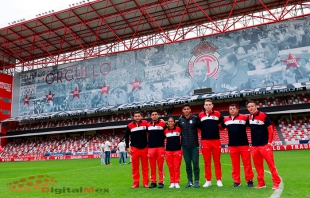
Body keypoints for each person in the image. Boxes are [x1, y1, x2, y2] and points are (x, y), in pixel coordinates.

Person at [246, 100, 281, 190]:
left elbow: (270, 128)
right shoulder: (249, 117)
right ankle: (261, 183)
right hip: (254, 146)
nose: (250, 108)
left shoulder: (263, 115)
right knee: (258, 166)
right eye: (249, 107)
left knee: (271, 164)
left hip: (265, 145)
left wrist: (269, 142)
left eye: (252, 106)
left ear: (256, 106)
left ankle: (276, 182)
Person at [221, 104, 254, 187]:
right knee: (235, 164)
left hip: (244, 145)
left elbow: (252, 126)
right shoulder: (226, 120)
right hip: (232, 145)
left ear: (237, 109)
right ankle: (236, 181)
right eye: (230, 109)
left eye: (233, 108)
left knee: (247, 163)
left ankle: (249, 180)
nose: (232, 110)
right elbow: (220, 127)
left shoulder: (244, 117)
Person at [198, 99, 224, 187]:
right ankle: (208, 180)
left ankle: (219, 179)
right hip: (205, 141)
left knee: (217, 161)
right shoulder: (200, 115)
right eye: (206, 104)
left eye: (209, 104)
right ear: (204, 106)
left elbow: (224, 122)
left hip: (216, 140)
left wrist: (219, 128)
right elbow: (198, 125)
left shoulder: (218, 114)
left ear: (212, 105)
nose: (208, 106)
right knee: (207, 162)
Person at [178, 103, 200, 188]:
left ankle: (197, 181)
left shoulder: (195, 118)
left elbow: (201, 127)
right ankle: (190, 181)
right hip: (185, 146)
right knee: (187, 164)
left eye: (188, 109)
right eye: (184, 109)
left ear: (190, 110)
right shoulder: (180, 120)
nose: (186, 110)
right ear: (182, 110)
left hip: (194, 146)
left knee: (195, 164)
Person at [125, 111, 149, 188]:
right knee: (135, 167)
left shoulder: (145, 123)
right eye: (136, 116)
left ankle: (145, 183)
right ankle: (136, 183)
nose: (137, 117)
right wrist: (127, 147)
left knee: (145, 167)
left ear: (141, 117)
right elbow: (126, 137)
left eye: (139, 116)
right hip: (134, 148)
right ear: (133, 117)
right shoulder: (129, 125)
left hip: (144, 147)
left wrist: (162, 121)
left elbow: (152, 128)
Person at [147, 111, 166, 188]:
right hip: (151, 148)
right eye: (153, 115)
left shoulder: (163, 124)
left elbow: (167, 133)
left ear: (158, 116)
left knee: (160, 166)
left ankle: (161, 182)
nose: (154, 116)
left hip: (160, 147)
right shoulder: (147, 125)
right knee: (152, 166)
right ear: (150, 116)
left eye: (156, 114)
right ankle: (153, 182)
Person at [164, 117, 182, 189]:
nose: (170, 123)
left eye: (172, 121)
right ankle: (172, 182)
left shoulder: (178, 129)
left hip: (177, 150)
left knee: (176, 167)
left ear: (174, 122)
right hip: (168, 151)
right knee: (170, 167)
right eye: (169, 121)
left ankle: (177, 182)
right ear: (167, 123)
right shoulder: (165, 130)